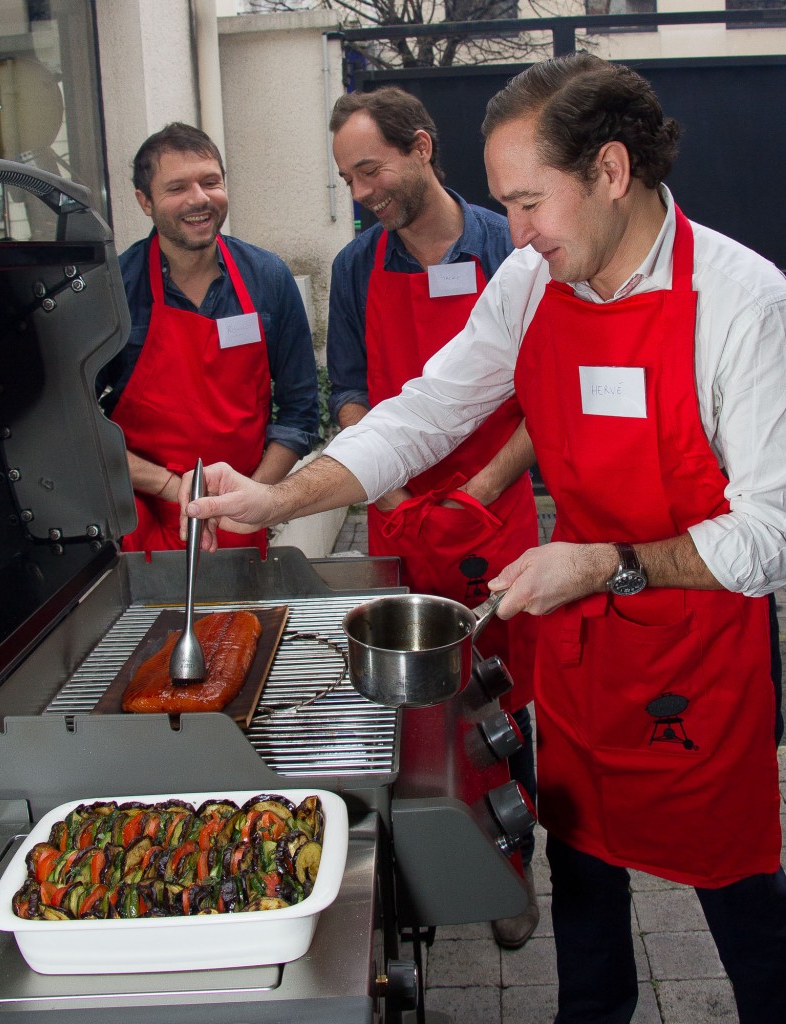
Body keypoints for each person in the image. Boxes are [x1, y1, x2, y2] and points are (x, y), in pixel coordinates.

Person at [180, 54, 786, 1024]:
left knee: (737, 901)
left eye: (528, 200)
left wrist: (605, 561)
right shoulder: (527, 283)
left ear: (610, 171)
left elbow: (770, 534)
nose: (521, 228)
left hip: (698, 662)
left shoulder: (741, 301)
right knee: (583, 883)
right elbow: (419, 414)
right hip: (583, 657)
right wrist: (280, 496)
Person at [326, 86, 540, 949]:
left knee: (502, 704)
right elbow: (348, 390)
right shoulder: (354, 266)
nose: (360, 192)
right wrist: (383, 491)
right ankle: (415, 875)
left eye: (370, 168)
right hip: (398, 517)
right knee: (409, 713)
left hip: (492, 515)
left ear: (421, 148)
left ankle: (511, 874)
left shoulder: (507, 245)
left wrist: (480, 489)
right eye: (346, 177)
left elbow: (543, 392)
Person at [98, 122, 319, 555]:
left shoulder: (268, 278)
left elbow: (299, 412)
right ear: (145, 202)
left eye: (210, 182)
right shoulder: (113, 291)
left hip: (238, 515)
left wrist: (249, 497)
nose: (199, 199)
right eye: (177, 187)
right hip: (139, 514)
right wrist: (169, 487)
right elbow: (81, 427)